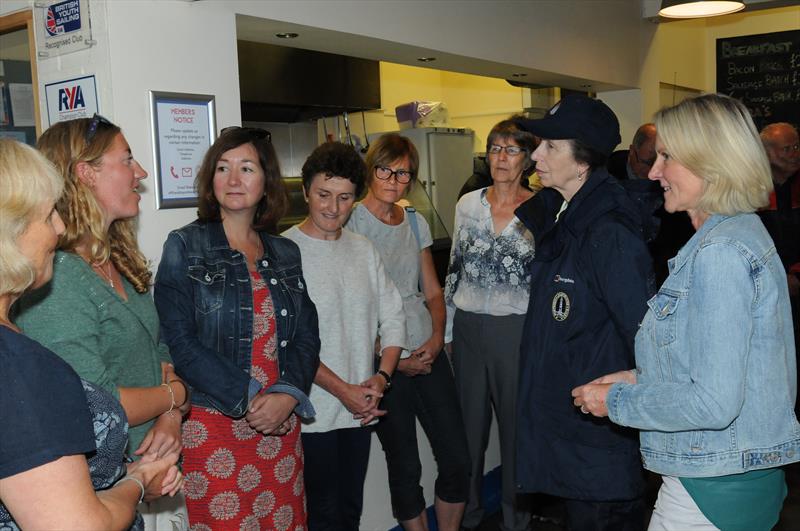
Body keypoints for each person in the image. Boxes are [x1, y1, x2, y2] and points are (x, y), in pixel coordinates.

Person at [572, 94, 800, 531]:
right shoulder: (737, 234)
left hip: (710, 489)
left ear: (709, 163)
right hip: (723, 479)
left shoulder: (720, 253)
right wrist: (639, 377)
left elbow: (713, 404)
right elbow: (724, 365)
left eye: (667, 156)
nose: (655, 171)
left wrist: (616, 401)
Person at [15, 115, 190, 528]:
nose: (141, 172)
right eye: (127, 159)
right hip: (99, 487)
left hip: (151, 470)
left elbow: (159, 348)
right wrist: (174, 395)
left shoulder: (121, 260)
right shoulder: (56, 276)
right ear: (86, 173)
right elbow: (96, 401)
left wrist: (170, 415)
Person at [153, 127, 320, 528]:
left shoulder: (285, 252)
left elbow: (307, 336)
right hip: (213, 427)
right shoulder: (184, 245)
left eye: (246, 168)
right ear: (210, 182)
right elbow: (178, 342)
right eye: (223, 168)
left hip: (280, 426)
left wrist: (287, 395)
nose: (233, 179)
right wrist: (248, 397)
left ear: (266, 183)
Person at [513, 95, 653, 531]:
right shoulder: (564, 217)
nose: (535, 155)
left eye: (551, 146)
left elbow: (644, 340)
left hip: (600, 446)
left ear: (583, 162)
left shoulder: (609, 232)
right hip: (574, 438)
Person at [346, 133, 470, 531]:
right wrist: (393, 363)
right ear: (371, 168)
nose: (394, 180)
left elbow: (432, 291)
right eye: (386, 169)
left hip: (426, 351)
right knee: (404, 464)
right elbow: (353, 307)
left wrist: (436, 340)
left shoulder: (414, 220)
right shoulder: (349, 222)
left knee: (456, 457)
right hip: (382, 363)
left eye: (404, 173)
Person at [283, 141, 407, 530]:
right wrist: (344, 391)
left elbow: (394, 316)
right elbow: (288, 342)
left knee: (350, 511)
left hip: (360, 410)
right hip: (310, 414)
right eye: (323, 195)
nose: (333, 208)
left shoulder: (364, 249)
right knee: (321, 515)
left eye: (344, 197)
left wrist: (381, 379)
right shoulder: (285, 252)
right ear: (306, 192)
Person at [444, 119, 538, 531]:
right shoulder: (468, 205)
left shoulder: (542, 208)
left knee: (517, 432)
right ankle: (469, 517)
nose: (501, 157)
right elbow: (454, 270)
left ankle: (518, 520)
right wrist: (448, 331)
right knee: (468, 432)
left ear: (528, 159)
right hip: (467, 328)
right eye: (495, 148)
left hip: (516, 331)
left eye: (511, 149)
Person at [758, 122, 800, 367]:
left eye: (797, 146)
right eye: (787, 149)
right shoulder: (750, 192)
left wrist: (795, 274)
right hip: (765, 292)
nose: (795, 153)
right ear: (765, 153)